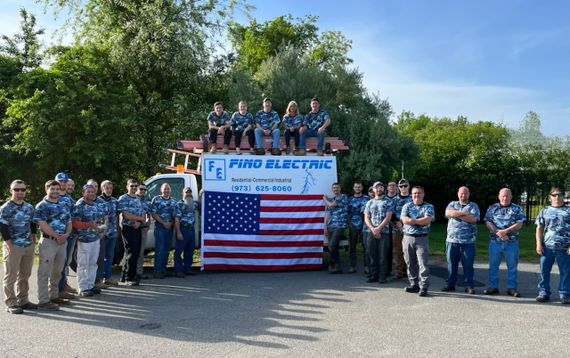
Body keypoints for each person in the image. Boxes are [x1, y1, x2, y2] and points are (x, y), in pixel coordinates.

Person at [34, 180, 72, 311]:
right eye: (52, 189)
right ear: (46, 190)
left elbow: (69, 222)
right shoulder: (41, 206)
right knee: (44, 272)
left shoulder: (63, 204)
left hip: (62, 242)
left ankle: (54, 296)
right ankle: (43, 301)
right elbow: (43, 225)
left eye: (57, 189)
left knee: (58, 271)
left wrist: (66, 235)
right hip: (49, 242)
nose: (55, 191)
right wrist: (57, 236)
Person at [1, 180, 38, 314]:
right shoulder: (6, 208)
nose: (20, 192)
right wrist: (9, 246)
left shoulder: (29, 207)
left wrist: (33, 241)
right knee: (10, 276)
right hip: (13, 246)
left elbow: (33, 225)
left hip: (28, 245)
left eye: (22, 189)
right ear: (11, 191)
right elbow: (3, 228)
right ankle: (11, 303)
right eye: (17, 189)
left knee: (24, 275)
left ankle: (23, 301)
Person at [483, 188, 525, 297]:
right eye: (503, 196)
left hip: (511, 242)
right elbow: (487, 221)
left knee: (512, 266)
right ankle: (493, 287)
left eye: (507, 196)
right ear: (499, 197)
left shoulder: (517, 208)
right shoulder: (492, 208)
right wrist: (498, 232)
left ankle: (511, 288)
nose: (505, 198)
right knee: (493, 265)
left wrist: (506, 231)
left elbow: (520, 223)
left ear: (511, 197)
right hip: (495, 242)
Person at [535, 187, 570, 304]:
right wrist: (539, 244)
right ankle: (543, 293)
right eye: (554, 195)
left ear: (563, 197)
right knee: (544, 271)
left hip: (564, 248)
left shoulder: (569, 210)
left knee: (566, 272)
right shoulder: (544, 211)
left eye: (559, 195)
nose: (557, 197)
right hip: (547, 247)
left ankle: (565, 294)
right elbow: (539, 229)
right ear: (550, 197)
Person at [442, 186, 480, 294]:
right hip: (452, 240)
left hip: (468, 241)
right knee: (451, 263)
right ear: (458, 193)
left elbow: (473, 219)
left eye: (465, 193)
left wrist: (456, 214)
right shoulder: (452, 204)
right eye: (461, 193)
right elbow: (448, 213)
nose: (463, 195)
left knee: (468, 264)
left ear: (469, 194)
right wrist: (464, 214)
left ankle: (469, 285)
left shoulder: (473, 206)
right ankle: (450, 284)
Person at [72, 184, 107, 297]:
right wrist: (89, 225)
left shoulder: (96, 205)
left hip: (95, 239)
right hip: (84, 240)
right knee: (83, 265)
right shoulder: (79, 205)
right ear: (83, 193)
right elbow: (75, 223)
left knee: (93, 264)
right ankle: (82, 288)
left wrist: (101, 229)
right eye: (88, 192)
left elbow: (100, 220)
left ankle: (90, 285)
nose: (91, 194)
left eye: (93, 192)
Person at [401, 186, 435, 297]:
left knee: (423, 263)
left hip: (421, 238)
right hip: (407, 238)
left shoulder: (428, 206)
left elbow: (428, 219)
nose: (417, 195)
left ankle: (424, 286)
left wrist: (413, 221)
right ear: (412, 194)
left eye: (419, 193)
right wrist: (419, 221)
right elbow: (404, 219)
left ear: (423, 194)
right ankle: (414, 284)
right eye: (415, 193)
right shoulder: (407, 206)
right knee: (410, 262)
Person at [364, 181, 394, 284]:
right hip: (371, 232)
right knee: (372, 255)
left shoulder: (388, 201)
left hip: (384, 232)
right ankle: (373, 275)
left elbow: (388, 217)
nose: (379, 189)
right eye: (377, 187)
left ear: (383, 189)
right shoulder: (369, 202)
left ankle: (382, 276)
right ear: (373, 189)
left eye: (381, 187)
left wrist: (379, 228)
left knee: (382, 256)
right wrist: (373, 229)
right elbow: (366, 217)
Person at [118, 179, 146, 286]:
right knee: (130, 252)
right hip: (128, 228)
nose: (134, 188)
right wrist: (138, 219)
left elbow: (144, 216)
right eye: (132, 186)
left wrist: (139, 222)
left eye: (135, 186)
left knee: (136, 252)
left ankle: (131, 276)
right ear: (127, 187)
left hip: (137, 228)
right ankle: (127, 277)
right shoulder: (123, 198)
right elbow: (125, 215)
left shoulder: (139, 199)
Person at [55, 172, 77, 298]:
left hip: (68, 234)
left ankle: (62, 286)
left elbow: (73, 217)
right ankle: (56, 289)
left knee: (64, 262)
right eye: (60, 181)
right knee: (56, 264)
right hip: (54, 236)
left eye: (64, 181)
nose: (62, 183)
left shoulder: (69, 200)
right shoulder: (52, 195)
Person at [151, 183, 178, 278]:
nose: (166, 191)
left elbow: (176, 215)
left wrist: (170, 224)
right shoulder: (156, 199)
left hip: (170, 228)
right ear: (161, 190)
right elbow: (153, 213)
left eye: (168, 189)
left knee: (166, 250)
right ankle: (157, 271)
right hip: (160, 227)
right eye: (164, 189)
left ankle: (163, 270)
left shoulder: (174, 201)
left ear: (170, 190)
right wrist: (163, 223)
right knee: (159, 249)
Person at [96, 180, 120, 286]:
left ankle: (107, 277)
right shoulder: (97, 200)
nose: (109, 190)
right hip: (101, 233)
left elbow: (117, 216)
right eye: (107, 188)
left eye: (110, 188)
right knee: (100, 257)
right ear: (102, 189)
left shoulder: (115, 201)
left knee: (110, 256)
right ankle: (98, 278)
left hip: (112, 232)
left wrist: (118, 229)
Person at [323, 183, 349, 274]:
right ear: (332, 189)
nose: (335, 189)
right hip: (331, 226)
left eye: (337, 188)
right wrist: (325, 226)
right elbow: (327, 213)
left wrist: (325, 199)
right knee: (332, 246)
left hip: (340, 225)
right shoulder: (332, 199)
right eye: (334, 188)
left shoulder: (343, 197)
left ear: (340, 188)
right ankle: (336, 266)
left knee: (332, 245)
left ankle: (332, 264)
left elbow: (331, 205)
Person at [174, 187, 199, 277]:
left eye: (190, 192)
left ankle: (187, 269)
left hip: (191, 230)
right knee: (178, 251)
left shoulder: (193, 203)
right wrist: (178, 232)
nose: (188, 194)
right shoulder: (179, 204)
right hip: (183, 229)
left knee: (190, 251)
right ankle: (178, 270)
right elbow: (176, 219)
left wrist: (200, 193)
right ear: (182, 194)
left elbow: (200, 203)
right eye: (186, 192)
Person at [347, 181, 369, 273]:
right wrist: (349, 224)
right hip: (353, 226)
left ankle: (367, 266)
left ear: (362, 188)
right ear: (353, 188)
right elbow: (348, 213)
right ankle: (352, 266)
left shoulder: (366, 198)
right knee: (352, 247)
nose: (357, 188)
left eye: (359, 187)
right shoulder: (350, 199)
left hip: (364, 225)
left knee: (366, 247)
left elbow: (369, 213)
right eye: (356, 187)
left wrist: (366, 224)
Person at [392, 179, 413, 279]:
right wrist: (398, 223)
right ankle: (399, 271)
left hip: (410, 228)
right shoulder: (395, 199)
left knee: (409, 251)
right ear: (398, 187)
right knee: (398, 250)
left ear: (409, 186)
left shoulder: (413, 198)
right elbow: (391, 213)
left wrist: (407, 222)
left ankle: (409, 271)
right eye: (401, 186)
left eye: (405, 185)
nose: (403, 188)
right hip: (397, 229)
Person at [136, 184, 152, 280]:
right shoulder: (133, 199)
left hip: (143, 229)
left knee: (141, 252)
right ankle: (129, 272)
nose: (143, 191)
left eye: (144, 190)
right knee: (132, 252)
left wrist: (148, 225)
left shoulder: (146, 200)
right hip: (133, 228)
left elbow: (148, 213)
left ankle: (139, 272)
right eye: (141, 189)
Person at [385, 181, 398, 278]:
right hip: (386, 227)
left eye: (394, 185)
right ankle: (388, 269)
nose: (392, 187)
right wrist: (389, 222)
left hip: (399, 227)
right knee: (387, 249)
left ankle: (401, 271)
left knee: (399, 250)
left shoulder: (399, 198)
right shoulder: (384, 199)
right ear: (387, 188)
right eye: (390, 185)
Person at [361, 186, 374, 274]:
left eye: (373, 191)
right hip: (367, 229)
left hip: (379, 229)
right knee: (367, 249)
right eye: (370, 191)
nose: (372, 193)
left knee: (376, 249)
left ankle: (375, 267)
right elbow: (364, 214)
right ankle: (367, 266)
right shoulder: (365, 202)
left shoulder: (382, 201)